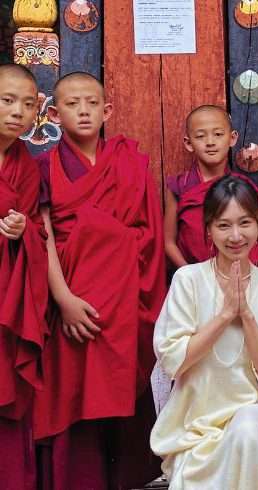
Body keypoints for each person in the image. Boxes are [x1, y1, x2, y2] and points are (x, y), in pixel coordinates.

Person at [34, 71, 166, 489]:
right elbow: (44, 238)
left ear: (107, 109)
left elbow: (151, 233)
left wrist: (113, 245)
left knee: (124, 386)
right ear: (54, 113)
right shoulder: (43, 167)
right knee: (70, 389)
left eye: (92, 102)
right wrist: (63, 298)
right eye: (72, 104)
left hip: (127, 299)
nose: (84, 111)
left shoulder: (129, 162)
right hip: (70, 300)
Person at [151, 175, 258, 490]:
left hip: (255, 412)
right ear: (208, 229)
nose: (235, 236)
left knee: (248, 431)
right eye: (223, 225)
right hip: (195, 421)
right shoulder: (188, 281)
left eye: (245, 223)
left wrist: (246, 314)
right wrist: (224, 315)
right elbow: (173, 362)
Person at [0, 63, 47, 490]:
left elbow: (34, 226)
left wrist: (23, 231)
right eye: (7, 100)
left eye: (27, 104)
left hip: (8, 301)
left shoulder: (26, 166)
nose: (17, 112)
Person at [164, 105, 237, 267]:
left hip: (234, 274)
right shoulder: (179, 186)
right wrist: (190, 274)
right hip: (190, 276)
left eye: (218, 134)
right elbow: (168, 242)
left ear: (232, 138)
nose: (210, 142)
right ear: (188, 143)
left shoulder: (242, 187)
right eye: (200, 136)